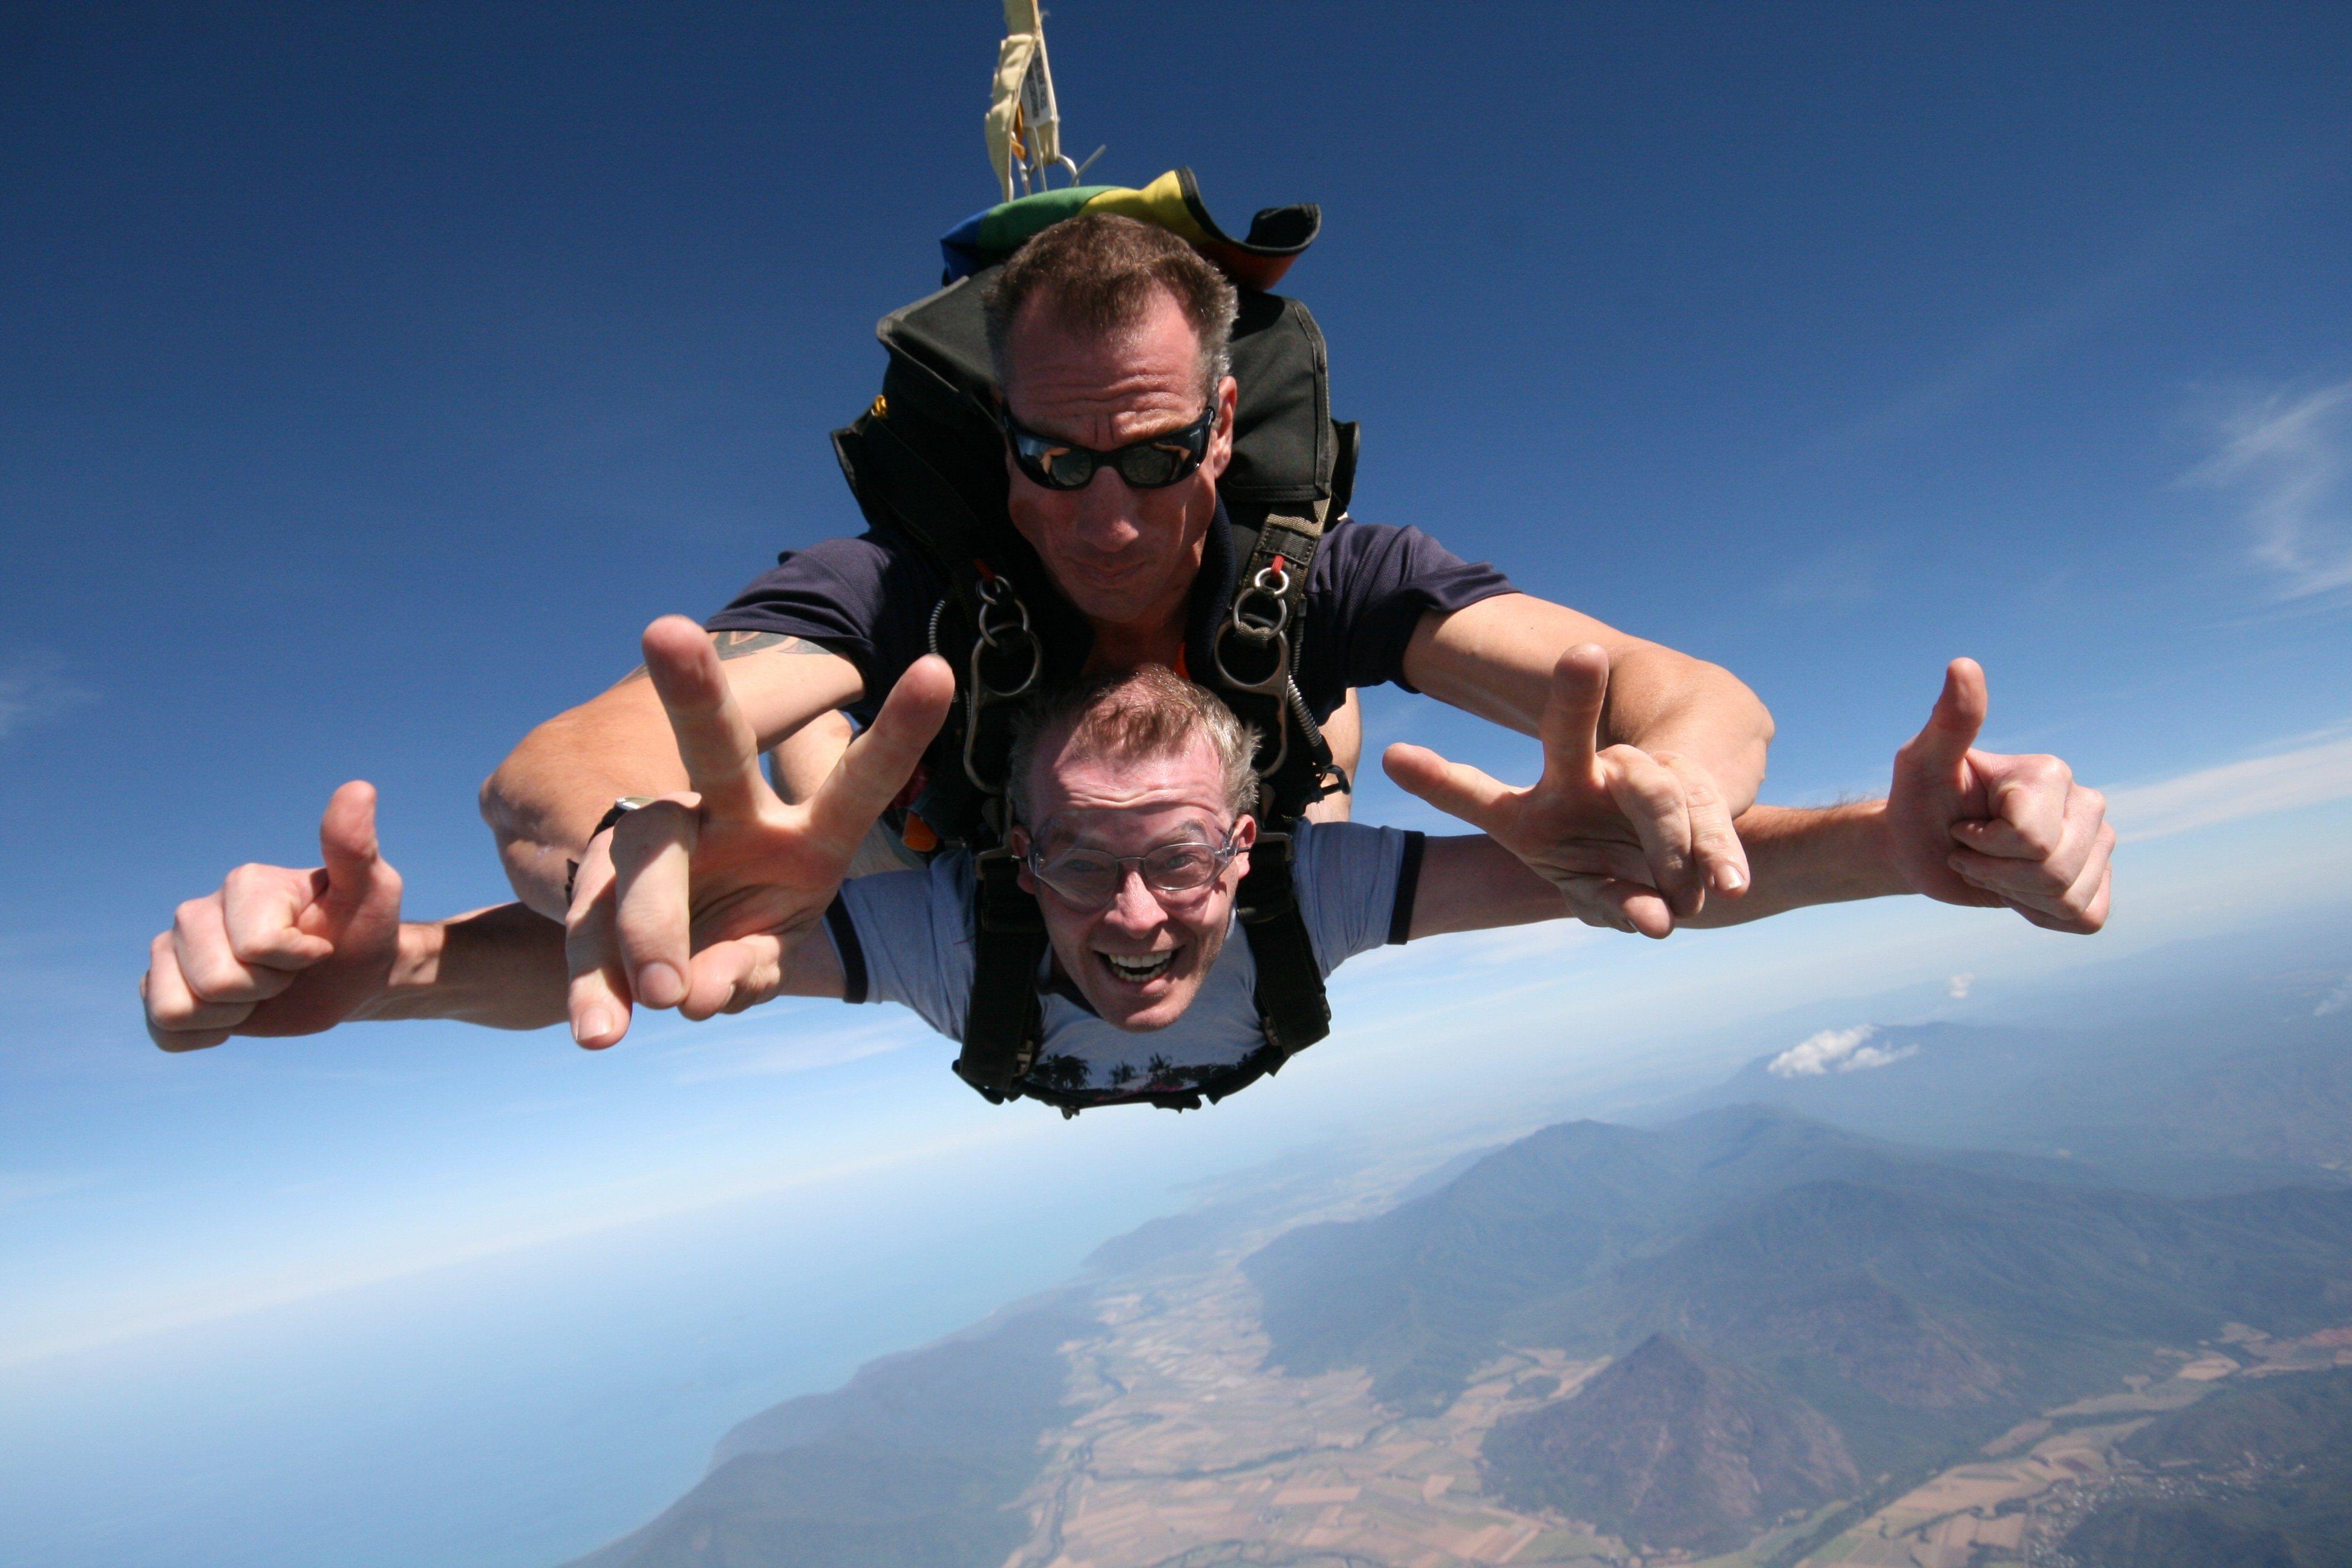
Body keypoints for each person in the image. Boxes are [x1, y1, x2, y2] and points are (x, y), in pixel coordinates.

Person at [482, 215, 1780, 1005]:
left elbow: (1696, 698)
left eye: (1154, 455)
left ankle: (1288, 785)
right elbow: (572, 759)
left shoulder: (1327, 578)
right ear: (1003, 440)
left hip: (1230, 794)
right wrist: (624, 834)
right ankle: (829, 795)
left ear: (1223, 425)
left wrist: (1675, 779)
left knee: (1314, 761)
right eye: (1057, 460)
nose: (1107, 521)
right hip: (940, 841)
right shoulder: (892, 588)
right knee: (830, 761)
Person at [145, 621, 2113, 1114]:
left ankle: (1282, 717)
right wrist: (372, 982)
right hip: (937, 814)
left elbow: (1640, 882)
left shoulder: (1295, 885)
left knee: (1324, 738)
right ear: (1018, 862)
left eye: (1181, 864)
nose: (1143, 915)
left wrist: (1898, 853)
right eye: (1083, 870)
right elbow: (645, 958)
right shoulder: (949, 923)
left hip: (1271, 778)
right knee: (769, 842)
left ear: (1243, 849)